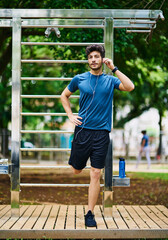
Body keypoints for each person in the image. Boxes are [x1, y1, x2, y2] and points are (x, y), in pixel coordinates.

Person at [61, 44, 134, 227]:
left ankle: (89, 213)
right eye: (90, 57)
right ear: (88, 60)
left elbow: (130, 86)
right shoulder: (79, 79)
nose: (93, 59)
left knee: (95, 173)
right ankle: (76, 156)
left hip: (101, 133)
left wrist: (114, 68)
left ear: (102, 59)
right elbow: (64, 96)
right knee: (77, 170)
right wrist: (70, 115)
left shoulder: (110, 80)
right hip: (82, 132)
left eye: (96, 56)